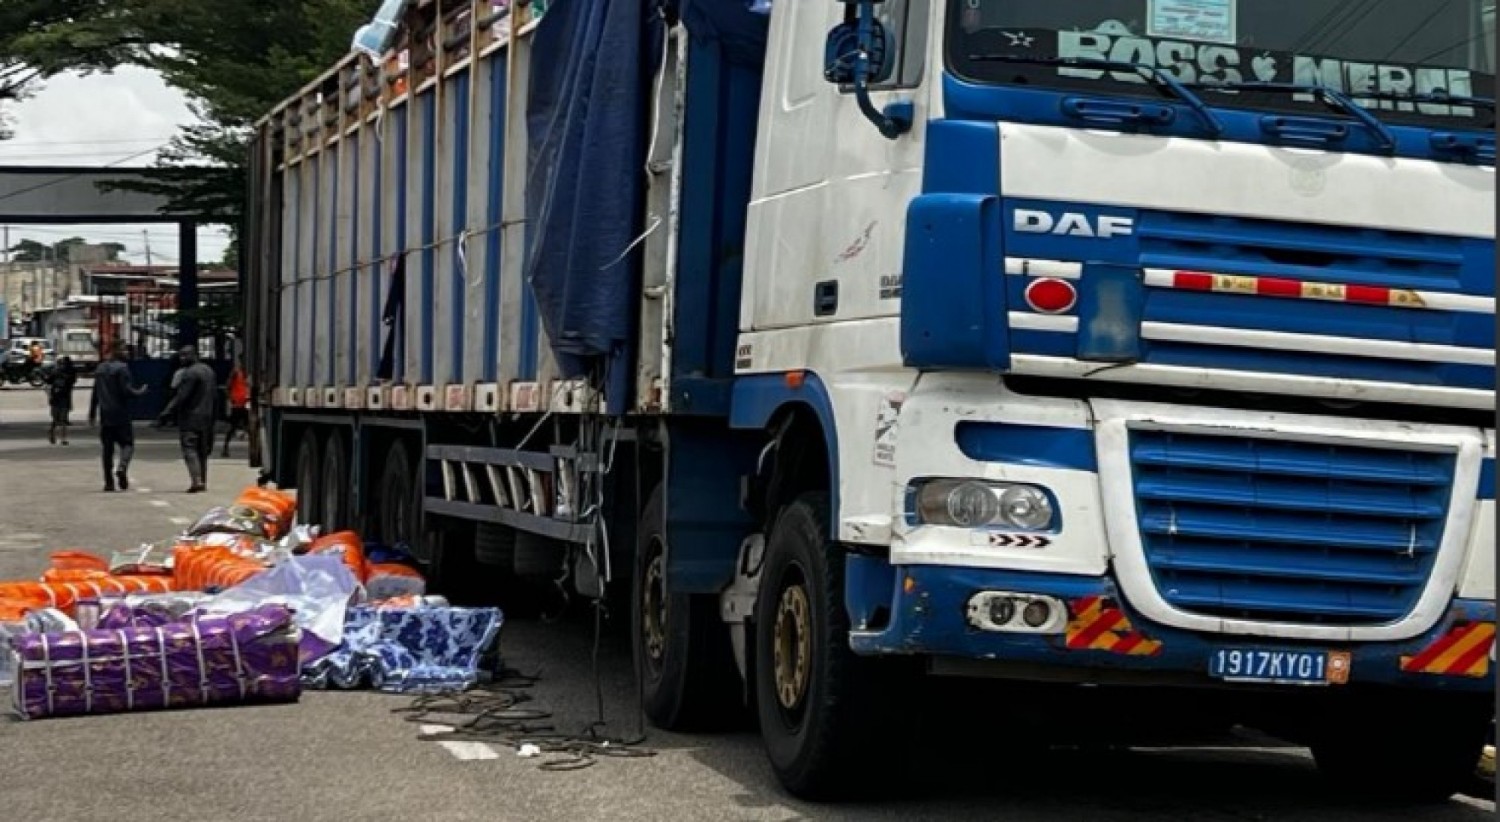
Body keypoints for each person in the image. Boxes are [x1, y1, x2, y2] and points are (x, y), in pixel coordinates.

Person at [89, 343, 148, 492]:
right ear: (117, 352)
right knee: (127, 444)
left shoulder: (101, 369)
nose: (127, 352)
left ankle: (108, 482)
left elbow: (95, 392)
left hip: (105, 414)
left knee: (107, 450)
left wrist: (92, 413)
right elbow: (126, 391)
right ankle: (122, 466)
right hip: (120, 412)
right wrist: (140, 392)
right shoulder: (122, 369)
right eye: (124, 350)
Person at [158, 345, 217, 493]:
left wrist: (166, 412)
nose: (182, 359)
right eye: (181, 356)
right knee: (203, 451)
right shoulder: (209, 371)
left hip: (191, 417)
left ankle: (196, 480)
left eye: (185, 355)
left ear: (194, 355)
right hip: (207, 417)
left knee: (190, 449)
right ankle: (202, 480)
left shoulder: (190, 374)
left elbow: (182, 396)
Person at [46, 355, 78, 445]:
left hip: (63, 397)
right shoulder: (55, 372)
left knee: (63, 419)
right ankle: (52, 432)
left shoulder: (70, 373)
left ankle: (63, 438)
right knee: (56, 419)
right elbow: (48, 381)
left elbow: (72, 381)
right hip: (56, 397)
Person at [223, 364, 250, 458]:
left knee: (249, 426)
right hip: (237, 404)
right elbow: (227, 386)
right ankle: (225, 448)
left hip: (246, 403)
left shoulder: (249, 375)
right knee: (232, 427)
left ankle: (254, 450)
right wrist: (231, 398)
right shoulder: (236, 372)